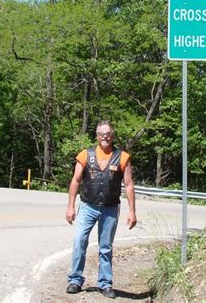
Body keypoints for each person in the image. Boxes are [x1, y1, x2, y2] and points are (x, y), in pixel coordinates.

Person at [65, 120, 137, 299]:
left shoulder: (122, 157)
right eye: (101, 134)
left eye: (108, 134)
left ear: (112, 136)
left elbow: (128, 185)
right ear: (96, 136)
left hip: (110, 209)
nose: (105, 137)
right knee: (80, 240)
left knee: (105, 247)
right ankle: (75, 280)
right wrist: (70, 206)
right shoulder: (85, 155)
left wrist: (132, 211)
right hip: (87, 206)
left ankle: (105, 284)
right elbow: (75, 181)